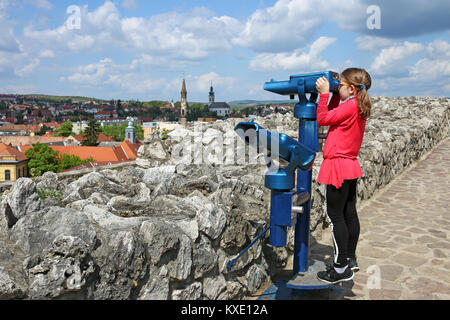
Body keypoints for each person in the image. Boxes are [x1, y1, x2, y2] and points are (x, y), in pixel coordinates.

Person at [314, 68, 372, 284]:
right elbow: (332, 117)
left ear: (352, 88)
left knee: (335, 216)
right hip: (349, 165)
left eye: (342, 85)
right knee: (349, 214)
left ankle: (340, 269)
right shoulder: (357, 105)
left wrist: (324, 94)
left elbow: (322, 119)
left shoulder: (349, 107)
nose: (339, 87)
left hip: (337, 166)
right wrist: (337, 95)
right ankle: (350, 258)